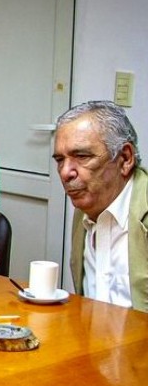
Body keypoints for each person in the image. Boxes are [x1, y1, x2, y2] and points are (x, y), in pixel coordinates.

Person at [53, 100, 147, 312]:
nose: (66, 172)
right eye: (60, 159)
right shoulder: (85, 207)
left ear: (125, 158)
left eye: (82, 156)